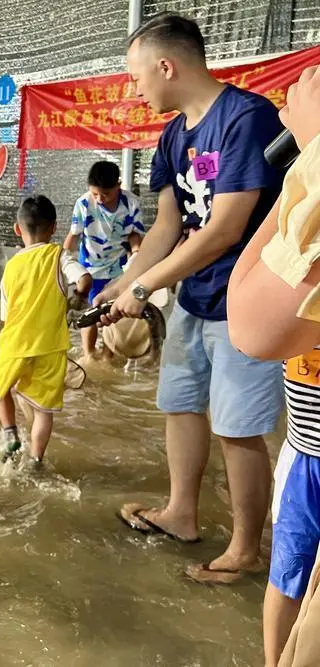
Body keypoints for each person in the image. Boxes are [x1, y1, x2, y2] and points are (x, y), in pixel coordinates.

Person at [99, 13, 285, 584]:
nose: (135, 90)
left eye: (136, 78)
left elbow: (227, 227)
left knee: (237, 425)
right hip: (196, 295)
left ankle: (246, 547)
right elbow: (166, 226)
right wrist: (121, 279)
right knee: (180, 402)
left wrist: (145, 287)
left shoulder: (246, 119)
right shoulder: (176, 133)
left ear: (166, 65)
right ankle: (181, 512)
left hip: (247, 297)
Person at [226, 64, 320, 667]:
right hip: (305, 439)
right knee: (290, 578)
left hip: (310, 448)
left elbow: (252, 326)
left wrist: (307, 166)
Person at [0, 196, 91, 463]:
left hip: (15, 344)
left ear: (17, 228)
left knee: (0, 389)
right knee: (43, 410)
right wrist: (77, 300)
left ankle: (10, 432)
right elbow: (84, 279)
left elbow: (6, 316)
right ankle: (36, 460)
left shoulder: (11, 266)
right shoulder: (59, 256)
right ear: (54, 228)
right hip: (50, 346)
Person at [63, 160, 144, 360]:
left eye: (105, 194)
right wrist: (62, 259)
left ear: (118, 184)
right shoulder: (84, 203)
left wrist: (136, 253)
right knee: (91, 311)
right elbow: (74, 235)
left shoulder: (131, 203)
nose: (99, 199)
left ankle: (109, 353)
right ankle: (89, 354)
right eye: (95, 194)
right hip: (91, 268)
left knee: (115, 311)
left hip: (119, 269)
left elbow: (135, 234)